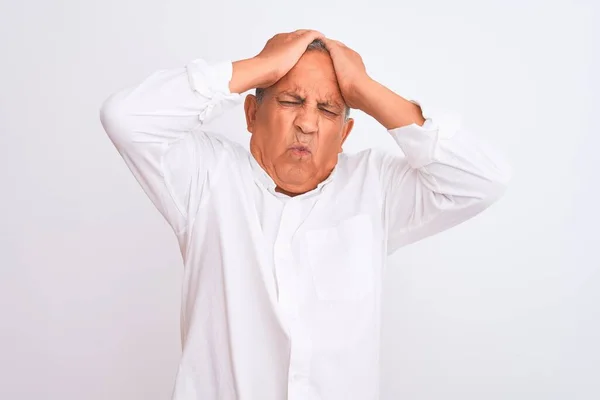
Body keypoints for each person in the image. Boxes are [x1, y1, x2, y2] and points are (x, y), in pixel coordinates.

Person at [100, 29, 511, 400]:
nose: (308, 123)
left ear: (345, 134)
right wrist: (262, 67)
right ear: (251, 114)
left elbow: (483, 180)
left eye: (329, 110)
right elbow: (125, 117)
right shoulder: (207, 178)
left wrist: (365, 89)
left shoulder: (377, 188)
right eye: (291, 100)